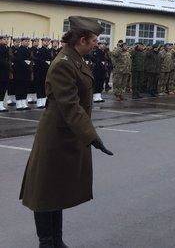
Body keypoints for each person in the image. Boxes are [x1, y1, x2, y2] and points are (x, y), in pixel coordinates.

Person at [19, 16, 114, 247]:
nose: (96, 44)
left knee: (56, 189)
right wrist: (91, 135)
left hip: (67, 134)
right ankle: (47, 242)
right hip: (55, 136)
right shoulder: (64, 63)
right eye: (94, 40)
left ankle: (57, 241)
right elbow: (70, 105)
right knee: (44, 191)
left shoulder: (75, 59)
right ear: (82, 39)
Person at [32, 37, 52, 108]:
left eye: (48, 41)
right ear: (42, 42)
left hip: (47, 71)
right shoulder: (40, 50)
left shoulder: (49, 50)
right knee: (39, 86)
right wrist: (45, 63)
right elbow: (38, 61)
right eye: (45, 41)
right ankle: (39, 102)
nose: (46, 42)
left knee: (44, 86)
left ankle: (43, 101)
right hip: (40, 72)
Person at [14, 36, 33, 110]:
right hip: (20, 72)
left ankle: (23, 103)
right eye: (25, 41)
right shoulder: (19, 50)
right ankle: (18, 103)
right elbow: (19, 60)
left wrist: (30, 64)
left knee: (25, 87)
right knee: (19, 87)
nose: (27, 42)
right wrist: (27, 63)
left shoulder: (28, 50)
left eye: (28, 41)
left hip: (26, 72)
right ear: (22, 42)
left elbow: (30, 59)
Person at [0, 35, 10, 112]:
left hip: (5, 71)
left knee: (3, 88)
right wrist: (7, 63)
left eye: (7, 39)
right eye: (4, 39)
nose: (6, 40)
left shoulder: (6, 48)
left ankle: (1, 104)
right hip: (1, 71)